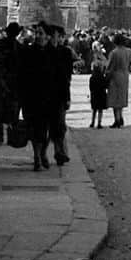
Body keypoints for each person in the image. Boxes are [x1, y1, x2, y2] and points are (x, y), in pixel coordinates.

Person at [17, 22, 65, 171]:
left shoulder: (56, 54)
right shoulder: (28, 52)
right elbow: (22, 75)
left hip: (52, 98)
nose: (37, 36)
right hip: (33, 97)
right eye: (36, 33)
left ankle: (43, 152)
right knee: (34, 128)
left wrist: (65, 97)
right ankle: (37, 155)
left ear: (48, 36)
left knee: (49, 128)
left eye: (40, 33)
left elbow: (62, 78)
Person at [48, 24, 74, 165]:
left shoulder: (64, 52)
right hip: (44, 94)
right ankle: (42, 155)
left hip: (58, 94)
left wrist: (67, 97)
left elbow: (66, 78)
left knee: (59, 125)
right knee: (45, 126)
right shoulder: (42, 51)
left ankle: (59, 151)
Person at [105, 32, 131, 128]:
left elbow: (109, 66)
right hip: (125, 75)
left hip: (115, 75)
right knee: (121, 97)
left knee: (114, 98)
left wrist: (106, 75)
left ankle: (117, 119)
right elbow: (130, 65)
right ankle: (121, 117)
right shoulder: (129, 51)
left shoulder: (114, 52)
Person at [89, 60, 108, 128]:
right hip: (101, 95)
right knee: (100, 110)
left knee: (94, 110)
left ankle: (92, 122)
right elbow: (106, 86)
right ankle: (99, 123)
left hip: (94, 95)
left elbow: (90, 88)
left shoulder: (92, 78)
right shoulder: (102, 77)